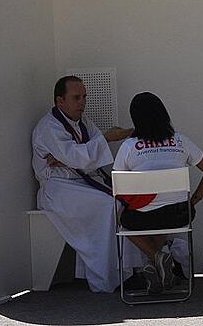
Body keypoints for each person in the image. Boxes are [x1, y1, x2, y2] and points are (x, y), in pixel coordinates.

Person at [31, 76, 137, 293]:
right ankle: (104, 277)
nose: (82, 103)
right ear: (60, 101)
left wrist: (71, 157)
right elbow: (81, 157)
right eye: (76, 98)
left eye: (84, 97)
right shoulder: (49, 127)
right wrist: (102, 141)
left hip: (80, 183)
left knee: (120, 201)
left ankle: (124, 270)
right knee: (107, 205)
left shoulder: (84, 122)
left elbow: (82, 160)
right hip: (57, 188)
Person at [113, 92, 203, 293]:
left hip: (141, 218)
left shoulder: (129, 147)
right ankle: (158, 265)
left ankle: (156, 259)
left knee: (122, 218)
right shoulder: (181, 142)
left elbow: (118, 187)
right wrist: (194, 200)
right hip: (179, 214)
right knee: (166, 210)